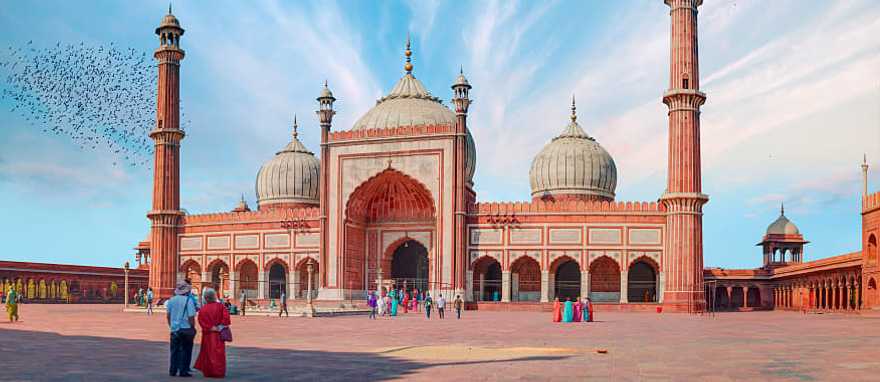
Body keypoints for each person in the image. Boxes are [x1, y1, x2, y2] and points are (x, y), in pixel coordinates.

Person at [194, 288, 231, 378]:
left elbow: (201, 321)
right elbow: (226, 318)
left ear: (206, 298)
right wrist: (219, 327)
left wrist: (210, 327)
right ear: (215, 296)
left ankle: (208, 371)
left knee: (207, 353)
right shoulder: (220, 306)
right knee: (219, 354)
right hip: (218, 334)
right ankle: (218, 371)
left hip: (208, 334)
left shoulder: (203, 309)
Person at [166, 281, 197, 377]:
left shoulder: (171, 300)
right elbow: (191, 316)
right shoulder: (189, 300)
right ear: (186, 291)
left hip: (174, 330)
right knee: (186, 350)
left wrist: (172, 326)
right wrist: (192, 327)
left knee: (174, 351)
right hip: (186, 329)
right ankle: (183, 371)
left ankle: (173, 370)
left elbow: (168, 315)